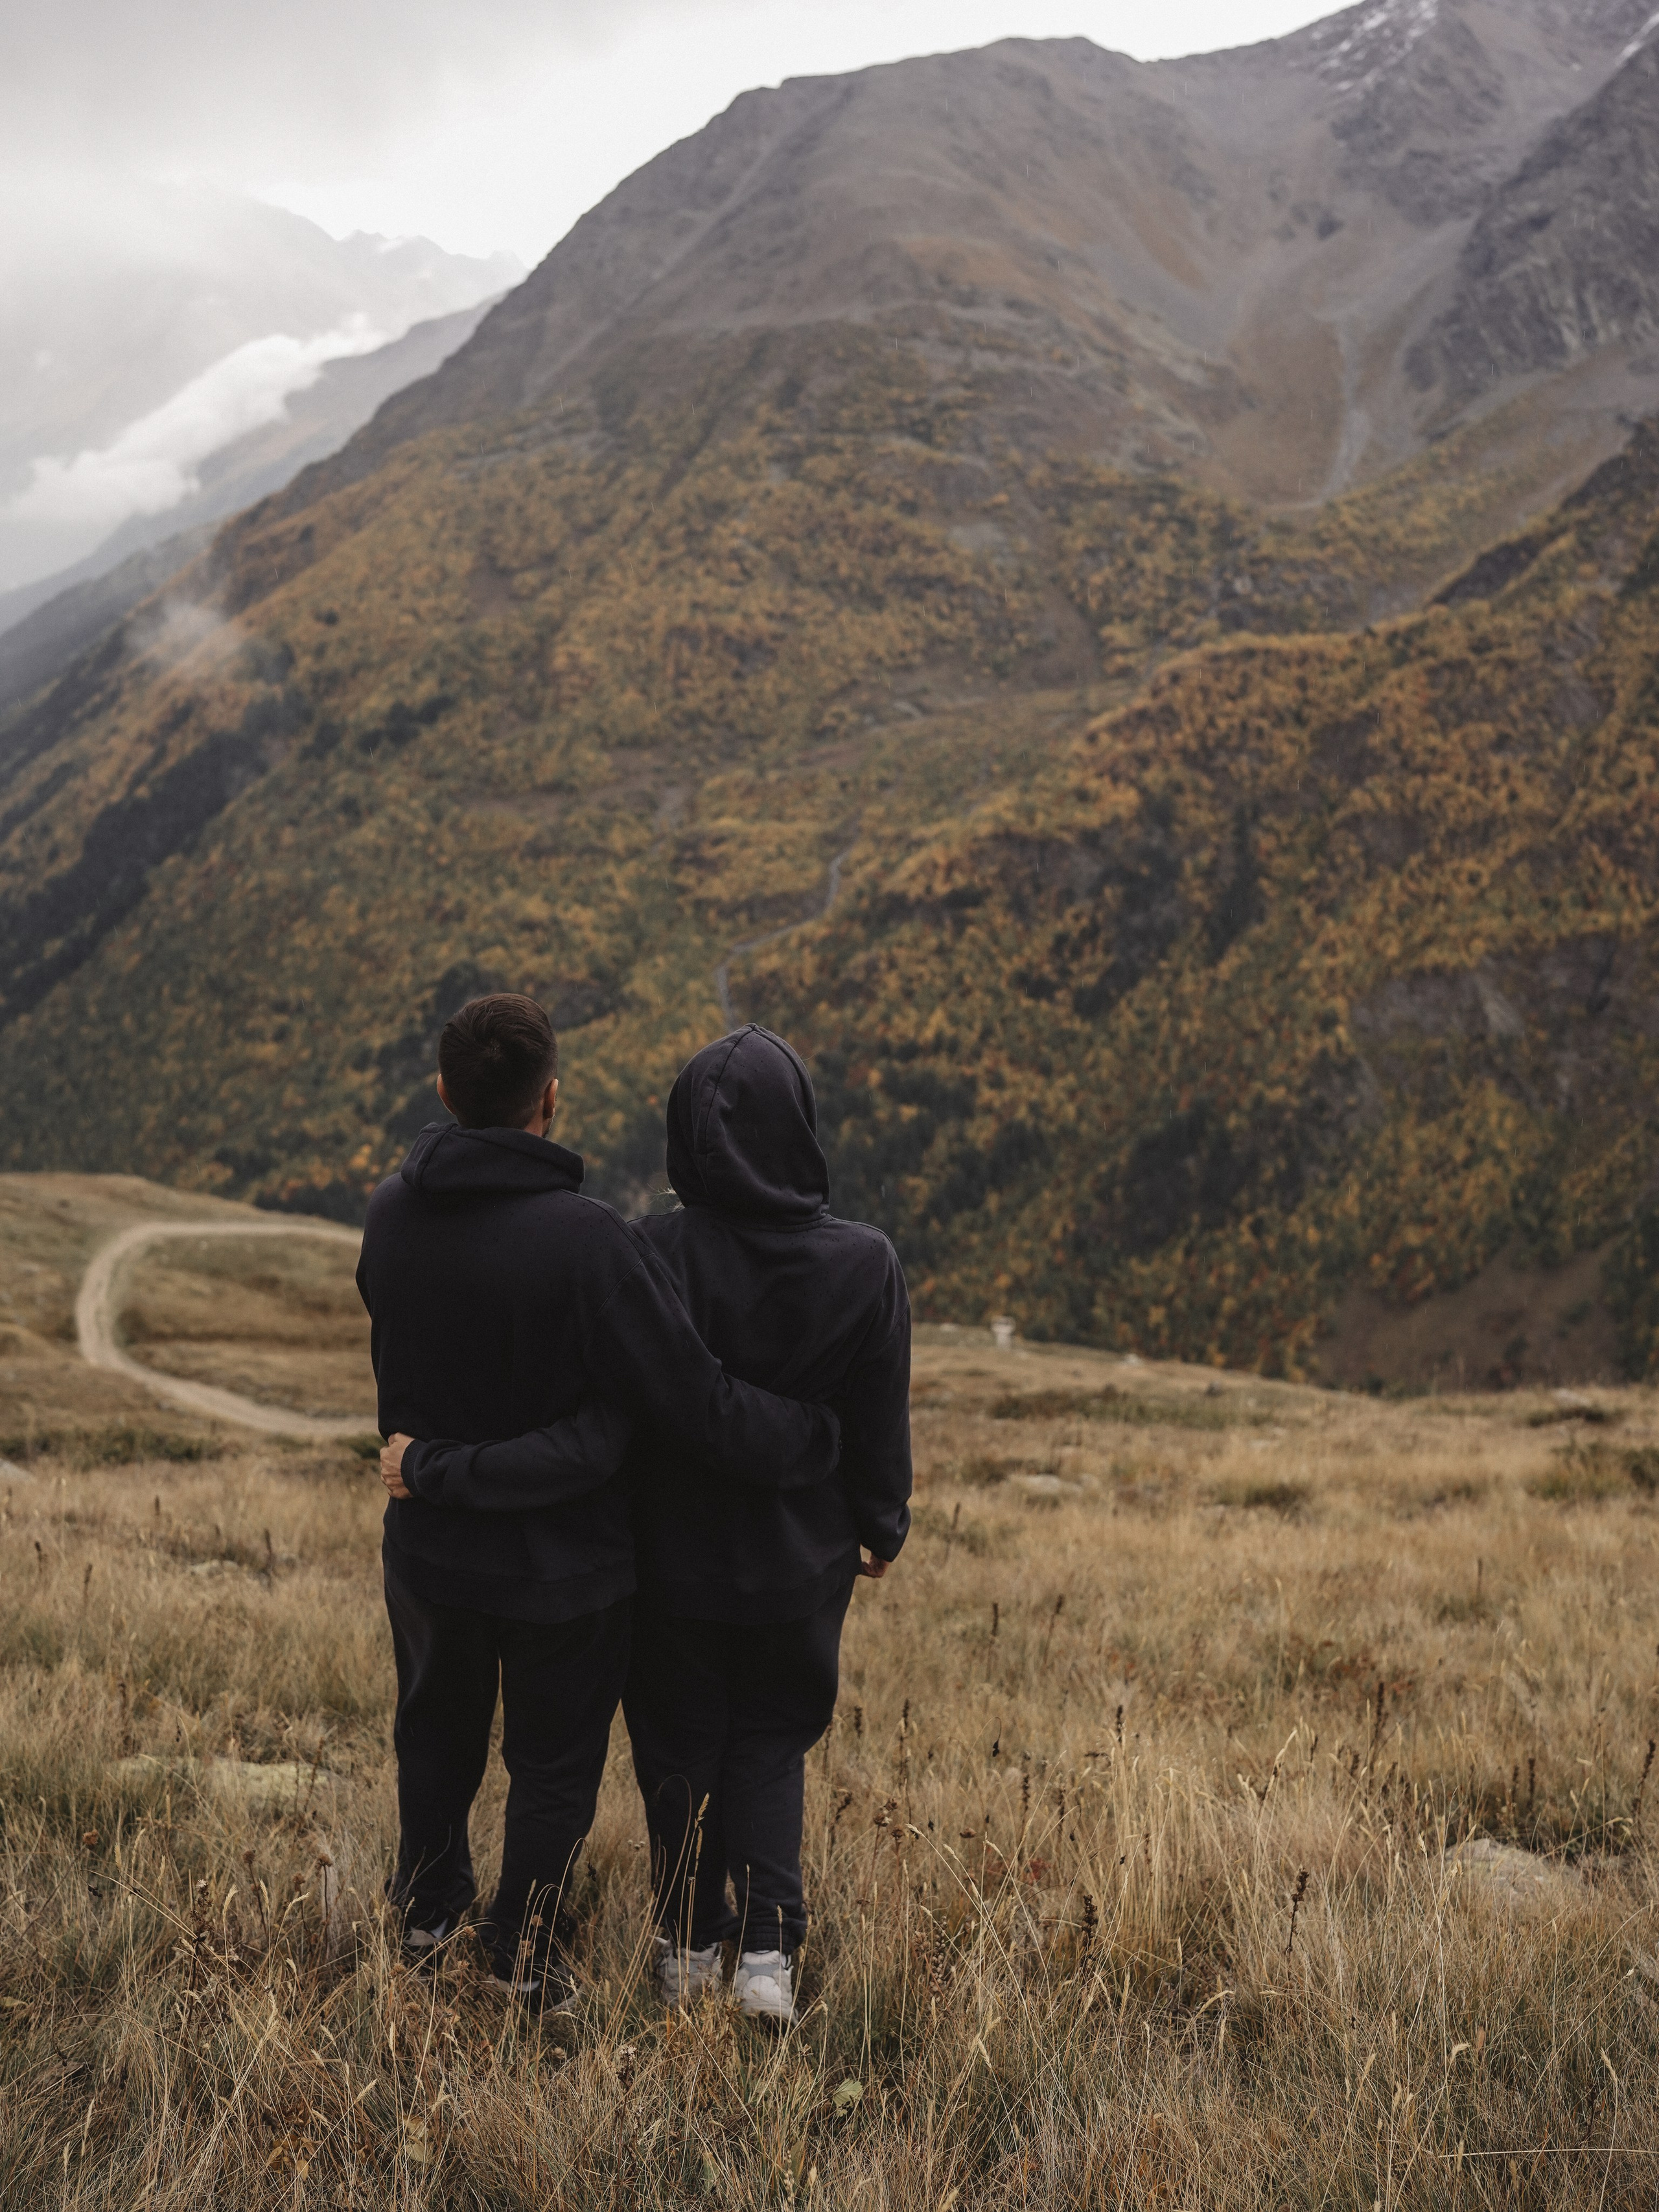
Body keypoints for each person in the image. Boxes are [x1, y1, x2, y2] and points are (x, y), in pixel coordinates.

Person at [394, 1024, 911, 2025]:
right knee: (768, 1741)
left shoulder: (649, 1247)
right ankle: (765, 1953)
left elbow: (636, 1402)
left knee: (677, 1744)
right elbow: (880, 1414)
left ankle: (683, 1945)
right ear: (799, 1127)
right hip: (800, 1556)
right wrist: (879, 1517)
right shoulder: (865, 1264)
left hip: (669, 1555)